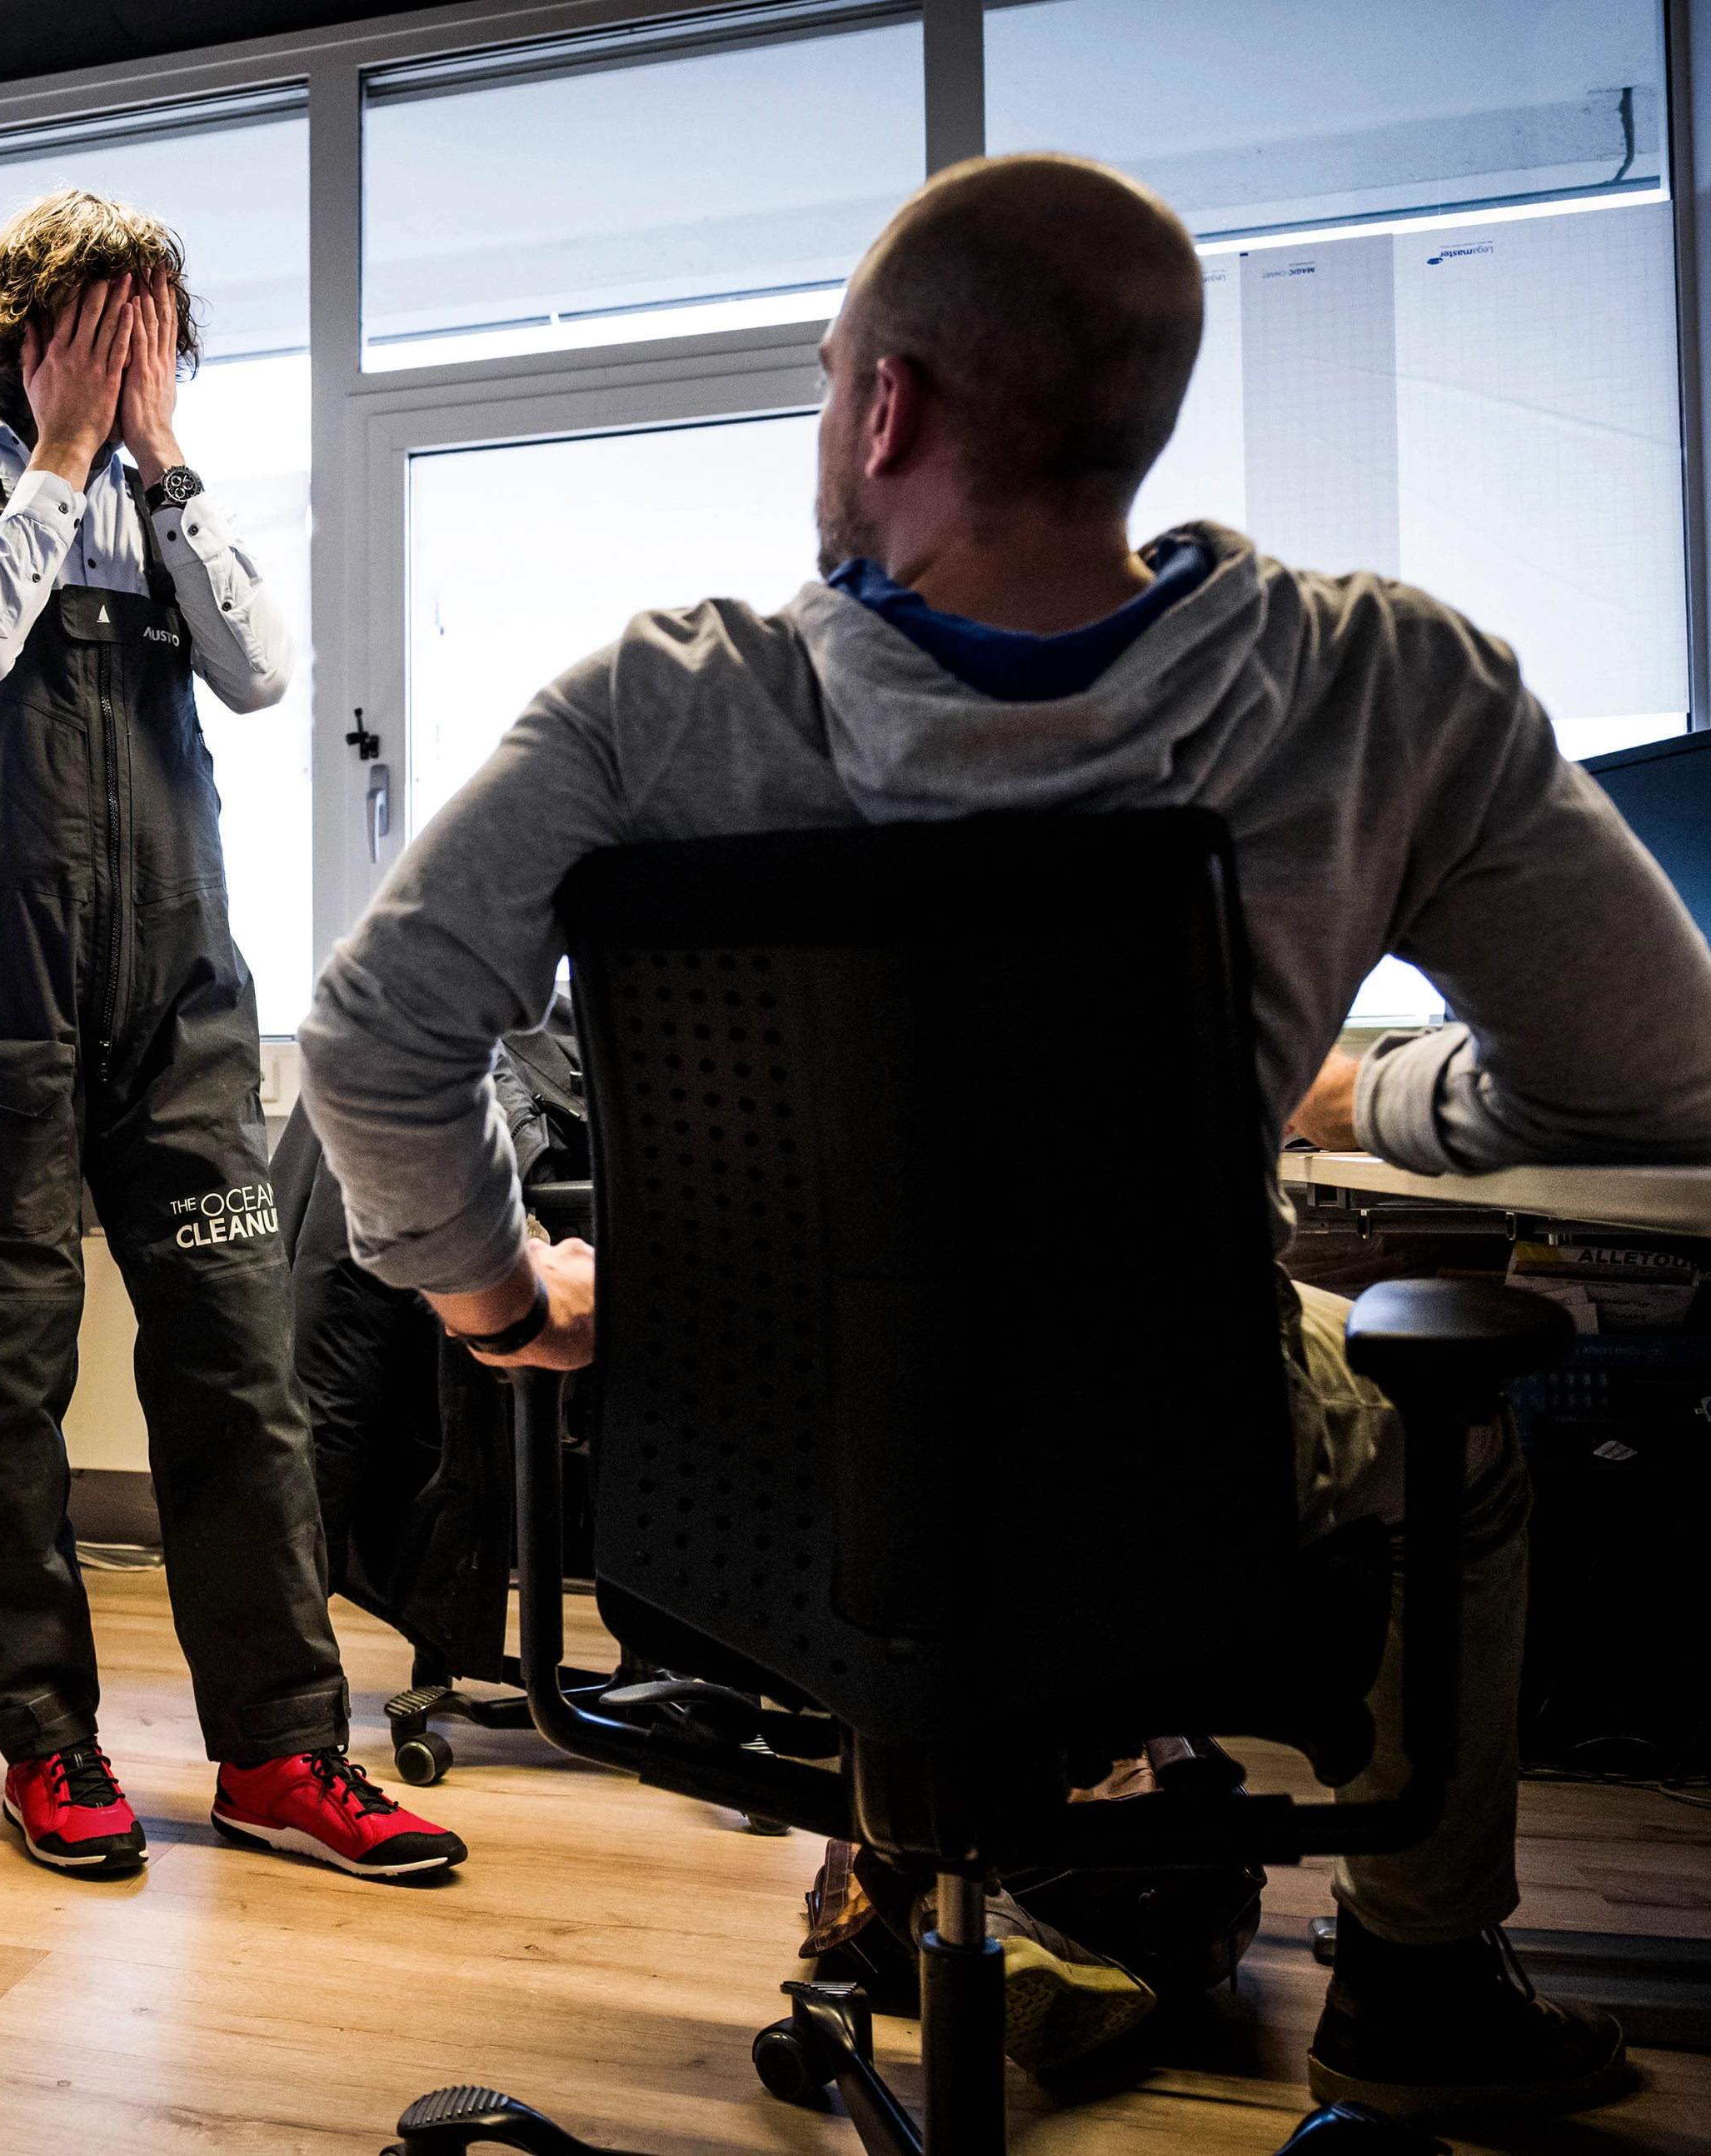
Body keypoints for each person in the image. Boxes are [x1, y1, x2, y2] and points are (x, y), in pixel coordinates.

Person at [299, 151, 1711, 2115]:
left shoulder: (663, 710)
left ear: (885, 409)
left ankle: (914, 1847)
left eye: (821, 382)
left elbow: (374, 1040)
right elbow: (1658, 1081)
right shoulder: (1384, 689)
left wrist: (507, 1295)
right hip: (1159, 1468)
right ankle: (1417, 1971)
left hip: (759, 1479)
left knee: (897, 1480)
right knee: (1445, 1443)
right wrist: (1374, 1089)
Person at [0, 189, 464, 1880]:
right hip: (1, 1004)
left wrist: (161, 461)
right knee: (6, 1392)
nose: (139, 360)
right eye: (106, 328)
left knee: (241, 1372)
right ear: (31, 333)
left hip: (185, 1002)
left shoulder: (171, 506)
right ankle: (45, 1749)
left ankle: (281, 1754)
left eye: (157, 334)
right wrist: (57, 456)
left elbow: (266, 672)